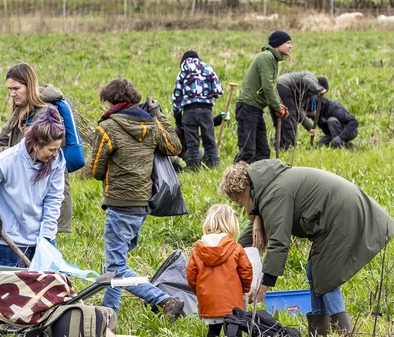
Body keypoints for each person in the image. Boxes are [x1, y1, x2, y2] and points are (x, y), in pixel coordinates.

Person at [220, 160, 393, 335]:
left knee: (325, 274)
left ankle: (344, 332)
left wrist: (264, 286)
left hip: (343, 215)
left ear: (245, 189)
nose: (240, 206)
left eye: (239, 201)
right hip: (337, 215)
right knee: (313, 270)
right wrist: (231, 251)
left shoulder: (274, 193)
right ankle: (319, 331)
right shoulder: (267, 186)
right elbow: (258, 228)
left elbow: (279, 242)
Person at [89, 77, 184, 319]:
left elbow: (95, 170)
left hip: (119, 205)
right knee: (114, 264)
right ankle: (109, 315)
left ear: (112, 101)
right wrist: (159, 115)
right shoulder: (152, 124)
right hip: (142, 205)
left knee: (116, 269)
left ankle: (163, 300)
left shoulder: (107, 128)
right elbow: (175, 147)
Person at [0, 63, 81, 233]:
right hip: (26, 192)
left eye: (16, 88)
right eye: (9, 89)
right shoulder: (21, 111)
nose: (12, 94)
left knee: (41, 245)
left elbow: (21, 153)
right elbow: (2, 145)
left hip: (43, 194)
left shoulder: (45, 115)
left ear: (30, 86)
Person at [0, 106, 65, 268]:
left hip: (42, 240)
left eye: (58, 148)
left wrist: (47, 237)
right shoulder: (7, 161)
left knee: (47, 283)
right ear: (36, 145)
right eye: (52, 149)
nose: (56, 154)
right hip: (11, 242)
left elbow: (53, 198)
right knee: (10, 284)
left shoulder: (56, 161)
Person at [186, 204, 252, 337]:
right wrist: (244, 290)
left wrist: (200, 293)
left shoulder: (197, 250)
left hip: (208, 302)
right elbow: (246, 272)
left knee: (213, 330)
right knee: (234, 331)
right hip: (232, 303)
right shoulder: (235, 248)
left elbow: (191, 276)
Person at [235, 31, 292, 162]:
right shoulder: (266, 57)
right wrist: (277, 107)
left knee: (263, 152)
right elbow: (267, 87)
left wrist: (280, 105)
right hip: (248, 108)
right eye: (288, 43)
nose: (291, 46)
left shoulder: (273, 59)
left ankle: (257, 176)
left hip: (256, 109)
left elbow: (272, 87)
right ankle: (233, 175)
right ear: (278, 44)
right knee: (247, 152)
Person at [172, 50, 224, 169]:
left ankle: (193, 169)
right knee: (210, 142)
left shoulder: (183, 71)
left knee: (192, 144)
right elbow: (218, 90)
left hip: (189, 111)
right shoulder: (208, 69)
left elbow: (176, 96)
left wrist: (177, 115)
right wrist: (205, 96)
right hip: (206, 110)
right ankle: (214, 167)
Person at [275, 71, 325, 151]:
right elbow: (306, 80)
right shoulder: (312, 78)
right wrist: (318, 89)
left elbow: (298, 110)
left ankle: (281, 146)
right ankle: (290, 148)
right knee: (291, 118)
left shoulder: (306, 92)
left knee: (283, 117)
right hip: (284, 86)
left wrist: (310, 127)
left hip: (279, 87)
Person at [312, 77, 359, 148]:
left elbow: (354, 122)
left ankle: (340, 147)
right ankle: (347, 144)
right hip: (334, 133)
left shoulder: (333, 108)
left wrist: (340, 137)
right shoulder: (315, 111)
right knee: (320, 144)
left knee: (332, 121)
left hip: (350, 131)